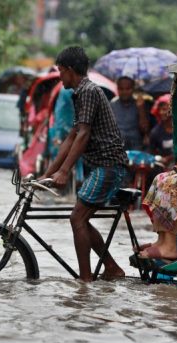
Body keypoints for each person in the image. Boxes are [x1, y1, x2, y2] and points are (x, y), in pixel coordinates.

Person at [40, 46, 127, 282]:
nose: (59, 76)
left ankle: (85, 281)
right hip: (100, 165)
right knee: (82, 218)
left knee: (77, 218)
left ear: (69, 70)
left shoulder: (88, 91)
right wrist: (47, 174)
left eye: (60, 71)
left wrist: (65, 171)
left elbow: (83, 134)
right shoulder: (80, 93)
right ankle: (111, 267)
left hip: (109, 165)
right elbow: (72, 135)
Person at [110, 76, 149, 151]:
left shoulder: (139, 103)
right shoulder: (112, 104)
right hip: (117, 146)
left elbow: (145, 129)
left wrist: (141, 110)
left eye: (128, 89)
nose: (124, 92)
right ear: (117, 89)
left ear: (133, 89)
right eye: (121, 89)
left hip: (135, 146)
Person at [148, 94, 174, 167]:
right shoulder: (155, 132)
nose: (161, 112)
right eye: (160, 110)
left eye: (164, 109)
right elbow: (152, 153)